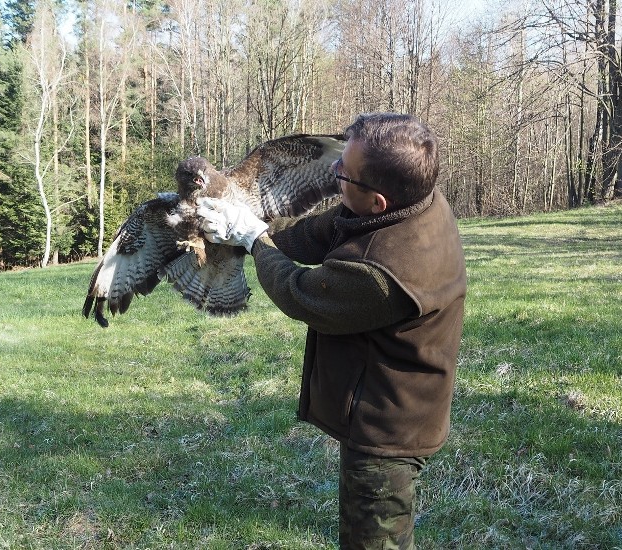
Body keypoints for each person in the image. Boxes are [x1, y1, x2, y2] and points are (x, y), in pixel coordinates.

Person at [197, 113, 466, 549]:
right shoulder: (412, 198)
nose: (335, 173)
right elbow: (324, 230)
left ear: (377, 201)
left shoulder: (386, 271)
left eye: (345, 174)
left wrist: (254, 241)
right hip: (387, 400)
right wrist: (251, 229)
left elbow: (302, 294)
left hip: (386, 432)